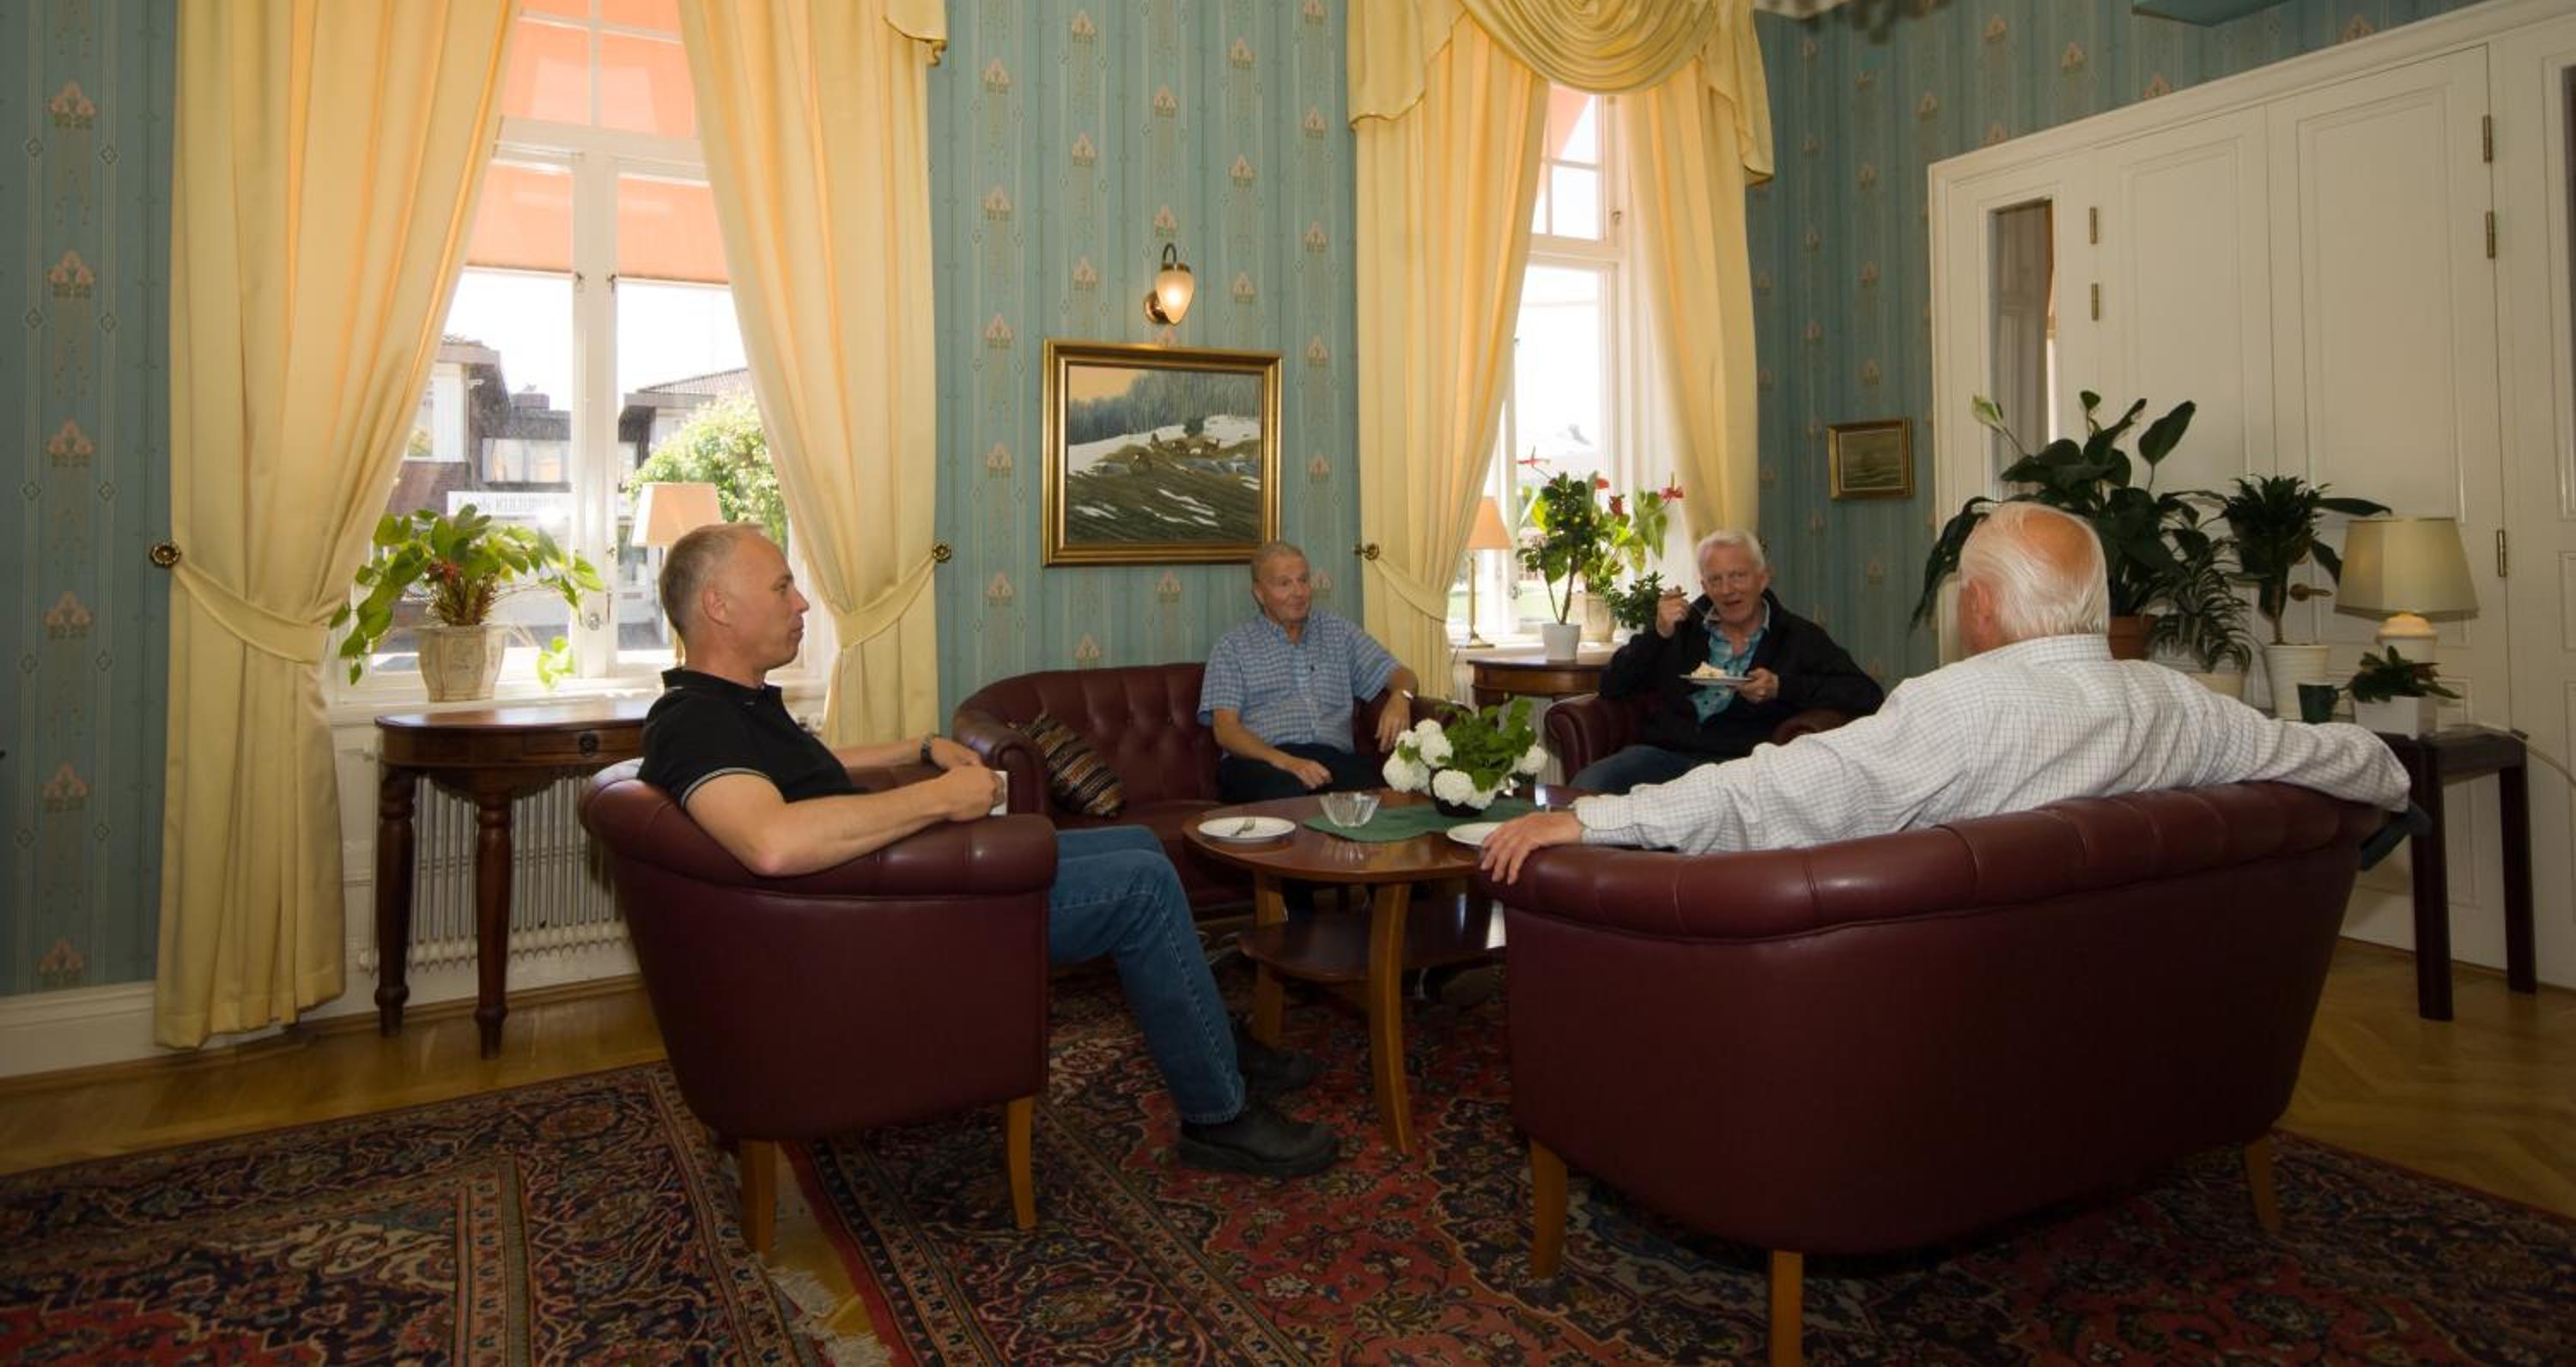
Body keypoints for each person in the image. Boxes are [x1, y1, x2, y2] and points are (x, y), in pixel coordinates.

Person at [635, 522, 1340, 1180]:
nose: (802, 603)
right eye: (782, 587)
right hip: (889, 923)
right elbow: (772, 842)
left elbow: (812, 770)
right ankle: (1219, 1116)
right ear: (719, 606)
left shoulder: (735, 708)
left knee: (1135, 844)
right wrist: (940, 799)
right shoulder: (694, 721)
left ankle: (1218, 1044)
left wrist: (922, 747)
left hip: (886, 893)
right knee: (1142, 885)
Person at [1482, 501, 2409, 883]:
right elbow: (2355, 762)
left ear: (1980, 606)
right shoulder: (2180, 704)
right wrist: (2390, 779)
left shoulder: (1954, 711)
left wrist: (1594, 822)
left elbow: (1777, 793)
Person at [1574, 529, 1883, 793]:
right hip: (1666, 755)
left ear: (1763, 578)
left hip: (1743, 763)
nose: (1727, 590)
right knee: (1588, 785)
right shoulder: (1681, 629)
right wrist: (1659, 634)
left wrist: (1781, 687)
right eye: (1715, 579)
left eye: (1738, 576)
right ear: (1704, 586)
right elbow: (1611, 685)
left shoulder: (1798, 636)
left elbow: (1866, 694)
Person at [1201, 541, 1419, 802]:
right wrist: (1288, 762)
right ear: (1259, 593)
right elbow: (1225, 730)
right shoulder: (1232, 647)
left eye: (1303, 580)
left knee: (1374, 800)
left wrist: (1401, 697)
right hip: (1262, 761)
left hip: (1331, 760)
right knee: (1285, 792)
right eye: (1284, 583)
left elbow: (1402, 675)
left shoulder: (1338, 632)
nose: (1299, 592)